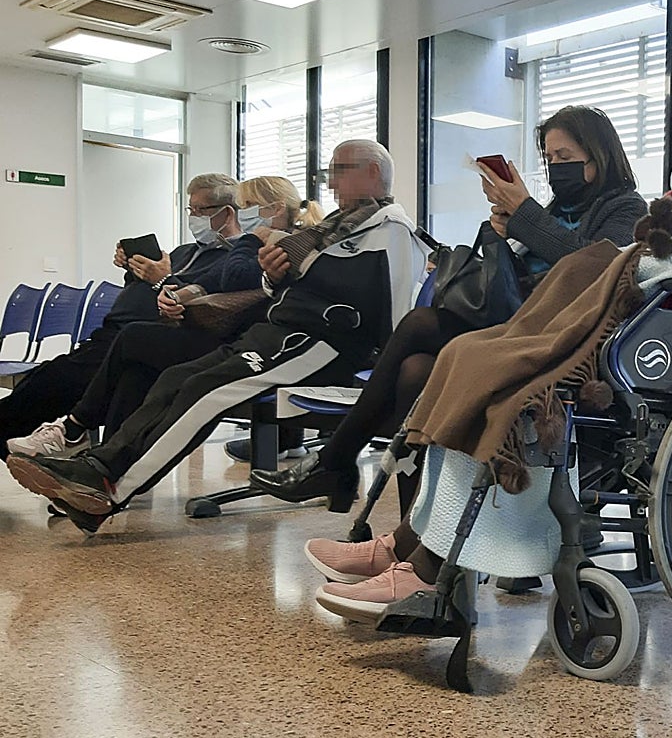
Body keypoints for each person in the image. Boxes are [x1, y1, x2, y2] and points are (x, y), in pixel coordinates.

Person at [303, 72, 672, 620]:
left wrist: (616, 260)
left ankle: (431, 569)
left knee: (496, 375)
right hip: (640, 328)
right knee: (462, 356)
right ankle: (413, 544)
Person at [7, 140, 427, 535]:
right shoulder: (339, 227)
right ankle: (98, 465)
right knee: (178, 378)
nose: (331, 182)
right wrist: (274, 274)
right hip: (276, 333)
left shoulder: (393, 232)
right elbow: (285, 286)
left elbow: (395, 317)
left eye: (341, 171)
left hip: (317, 344)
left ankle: (107, 488)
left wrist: (378, 379)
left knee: (205, 390)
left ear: (372, 173)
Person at [249, 106, 646, 510]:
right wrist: (507, 229)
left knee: (420, 324)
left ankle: (337, 462)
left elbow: (593, 269)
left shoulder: (626, 209)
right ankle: (411, 525)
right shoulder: (552, 211)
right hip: (516, 321)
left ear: (599, 156)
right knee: (413, 371)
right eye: (549, 158)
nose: (554, 167)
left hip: (557, 335)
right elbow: (521, 269)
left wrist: (524, 217)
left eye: (564, 157)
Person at [7, 176, 322, 459]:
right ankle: (102, 466)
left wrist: (169, 280)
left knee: (119, 351)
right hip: (143, 333)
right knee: (128, 370)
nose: (193, 217)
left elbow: (233, 279)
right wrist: (144, 276)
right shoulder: (188, 251)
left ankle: (77, 433)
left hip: (221, 342)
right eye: (190, 210)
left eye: (248, 206)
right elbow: (200, 285)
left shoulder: (270, 247)